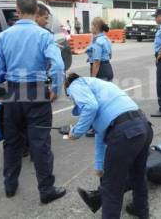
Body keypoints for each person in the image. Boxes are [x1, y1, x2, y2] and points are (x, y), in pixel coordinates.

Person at [0, 0, 66, 203]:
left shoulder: (4, 37)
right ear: (36, 11)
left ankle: (10, 186)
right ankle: (46, 190)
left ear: (18, 10)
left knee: (12, 142)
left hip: (13, 93)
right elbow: (58, 65)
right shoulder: (44, 36)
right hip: (37, 93)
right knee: (40, 143)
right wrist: (56, 88)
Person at [64, 73, 153, 219]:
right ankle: (141, 211)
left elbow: (90, 106)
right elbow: (101, 133)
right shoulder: (101, 86)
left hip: (125, 133)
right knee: (138, 176)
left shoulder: (75, 84)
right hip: (144, 126)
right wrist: (99, 166)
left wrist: (76, 132)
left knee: (112, 188)